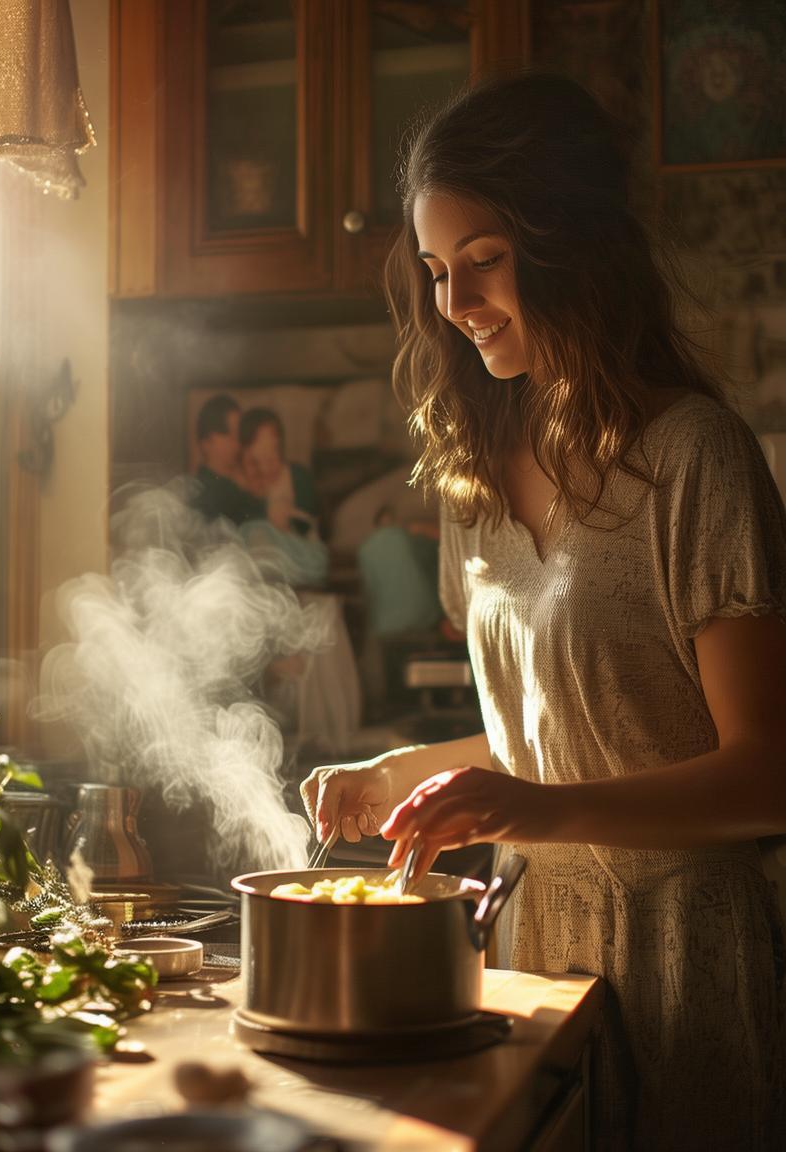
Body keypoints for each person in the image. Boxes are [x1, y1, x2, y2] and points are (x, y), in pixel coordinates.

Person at [300, 70, 786, 1152]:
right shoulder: (473, 477)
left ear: (571, 249)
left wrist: (522, 808)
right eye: (435, 271)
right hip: (529, 950)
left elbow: (766, 774)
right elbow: (568, 731)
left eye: (484, 261)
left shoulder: (693, 460)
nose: (455, 304)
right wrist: (402, 777)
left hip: (685, 956)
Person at [239, 406, 320, 536]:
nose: (267, 467)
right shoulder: (242, 484)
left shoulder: (298, 476)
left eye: (274, 450)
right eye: (259, 460)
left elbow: (306, 526)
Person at [193, 394, 265, 526]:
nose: (238, 443)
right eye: (230, 435)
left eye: (239, 435)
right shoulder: (216, 491)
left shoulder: (233, 483)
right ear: (207, 441)